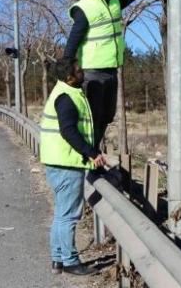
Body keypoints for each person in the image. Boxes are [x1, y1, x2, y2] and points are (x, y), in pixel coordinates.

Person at [63, 0, 167, 152]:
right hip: (92, 72)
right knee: (92, 118)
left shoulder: (113, 3)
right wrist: (66, 73)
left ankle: (92, 155)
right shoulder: (83, 9)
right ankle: (87, 156)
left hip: (111, 70)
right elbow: (72, 42)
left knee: (107, 116)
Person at [39, 57, 108, 276]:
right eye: (79, 71)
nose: (83, 73)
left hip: (57, 162)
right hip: (65, 164)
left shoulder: (64, 91)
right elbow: (69, 132)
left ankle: (57, 259)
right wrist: (92, 153)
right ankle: (70, 261)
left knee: (61, 214)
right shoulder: (67, 98)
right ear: (70, 78)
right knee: (69, 216)